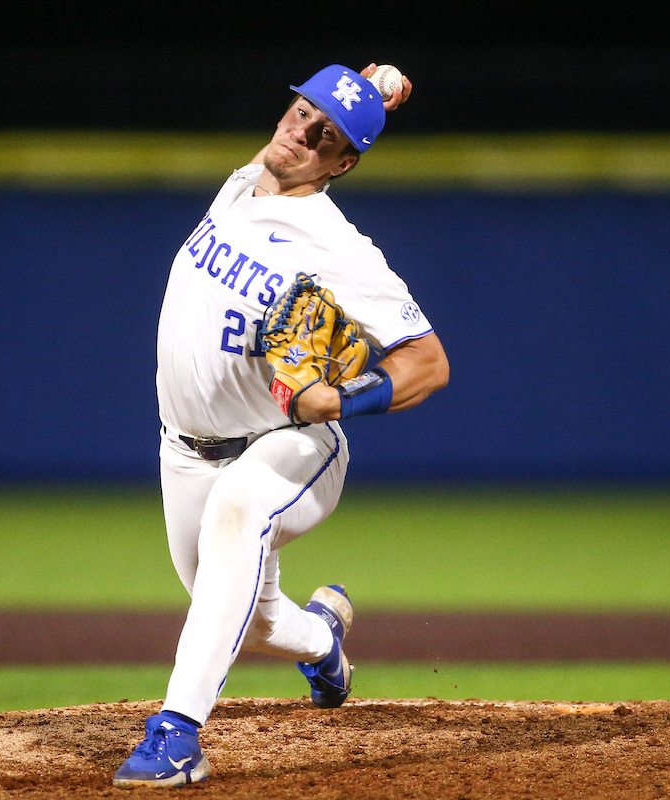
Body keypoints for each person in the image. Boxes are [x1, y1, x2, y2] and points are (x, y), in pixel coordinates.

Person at [113, 63, 449, 788]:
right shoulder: (243, 183)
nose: (302, 131)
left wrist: (341, 401)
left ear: (343, 164)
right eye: (301, 112)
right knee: (247, 617)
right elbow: (334, 107)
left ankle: (177, 734)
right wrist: (371, 90)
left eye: (325, 133)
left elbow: (428, 364)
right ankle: (323, 642)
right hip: (184, 451)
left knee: (239, 514)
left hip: (289, 446)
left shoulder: (339, 248)